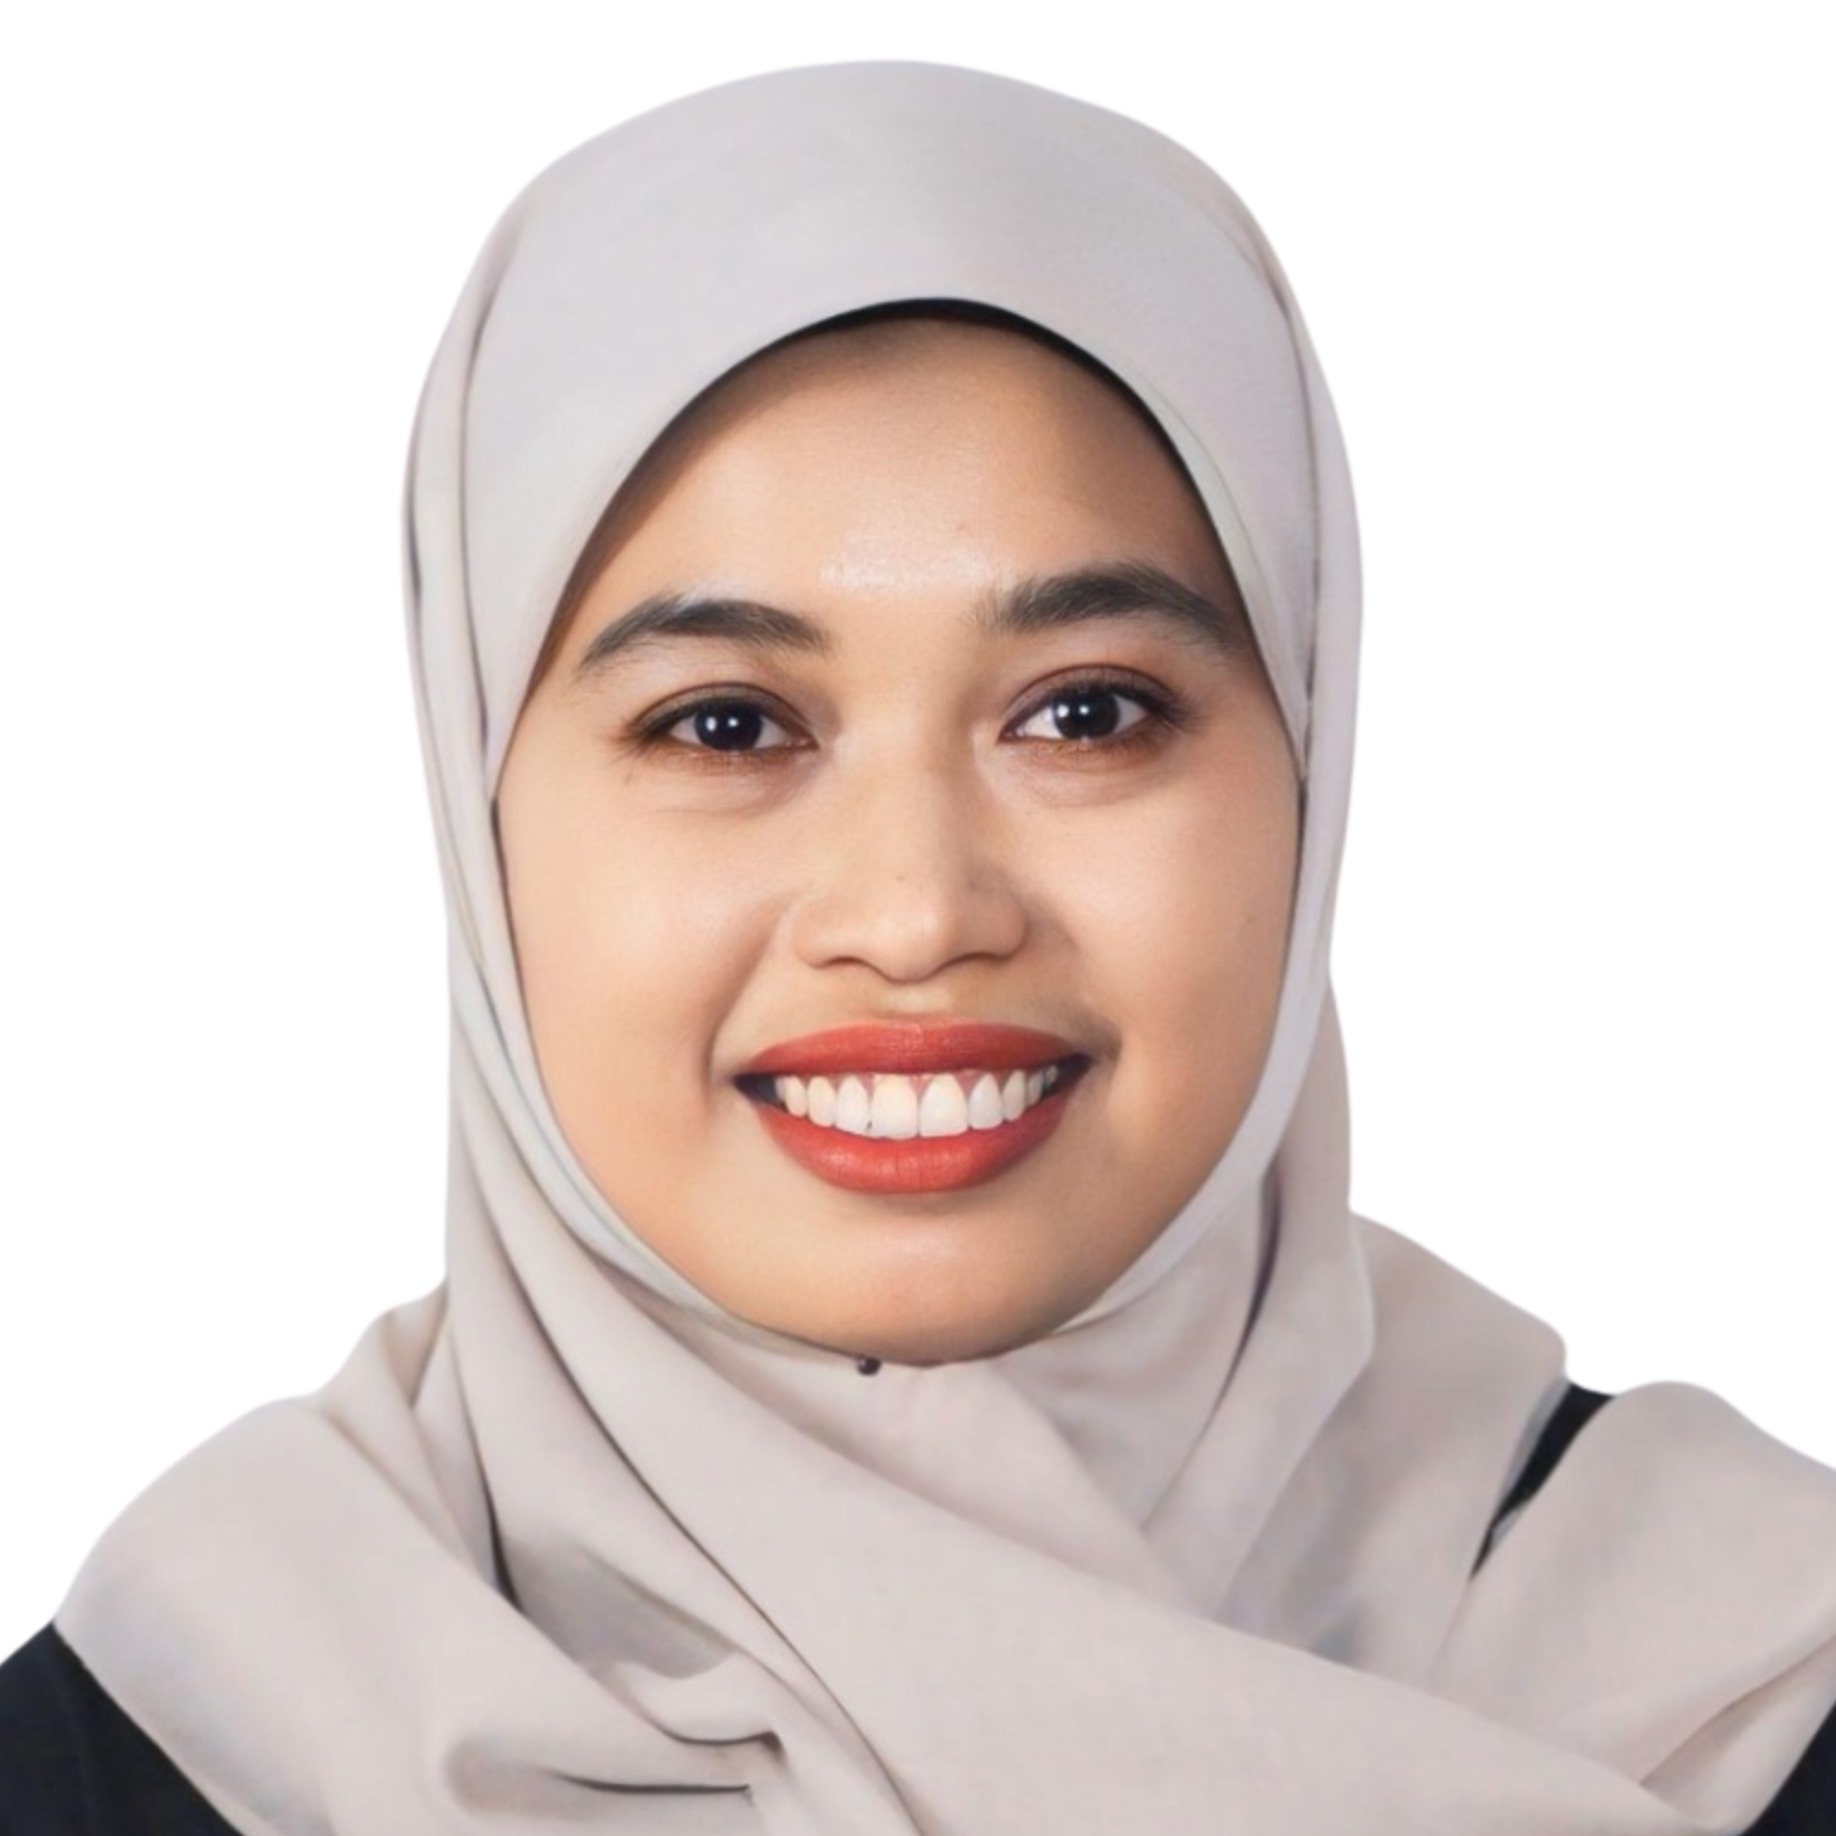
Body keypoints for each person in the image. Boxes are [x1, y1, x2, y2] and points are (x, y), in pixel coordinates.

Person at [3, 60, 1834, 1835]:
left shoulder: (1746, 1682)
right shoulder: (156, 1750)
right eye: (727, 725)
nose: (917, 914)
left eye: (1088, 712)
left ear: (1310, 764)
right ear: (480, 822)